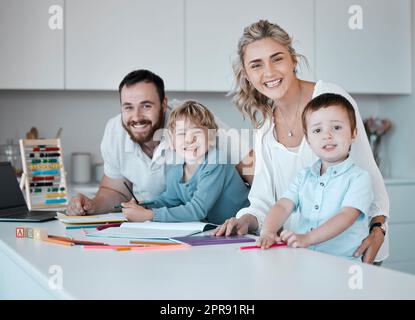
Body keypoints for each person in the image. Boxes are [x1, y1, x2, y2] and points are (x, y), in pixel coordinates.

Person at [213, 20, 389, 264]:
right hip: (300, 254)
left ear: (293, 59)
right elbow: (264, 200)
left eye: (277, 58)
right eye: (256, 65)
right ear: (247, 75)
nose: (270, 72)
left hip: (352, 252)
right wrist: (246, 221)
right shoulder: (265, 126)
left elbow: (368, 174)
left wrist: (379, 228)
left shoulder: (330, 100)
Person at [67, 69, 248, 217]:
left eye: (146, 106)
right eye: (128, 107)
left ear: (163, 104)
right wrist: (92, 205)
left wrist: (264, 217)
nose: (137, 117)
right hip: (196, 227)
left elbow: (251, 165)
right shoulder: (175, 165)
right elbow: (117, 190)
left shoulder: (193, 119)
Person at [258, 93, 373, 261]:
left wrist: (307, 238)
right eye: (317, 130)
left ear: (354, 134)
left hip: (343, 265)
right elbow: (283, 206)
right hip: (305, 259)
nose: (327, 135)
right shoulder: (303, 176)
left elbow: (346, 216)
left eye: (337, 127)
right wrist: (268, 231)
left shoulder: (359, 178)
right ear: (309, 141)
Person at [121, 100, 250, 225]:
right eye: (182, 134)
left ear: (211, 137)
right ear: (171, 142)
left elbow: (198, 209)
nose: (189, 139)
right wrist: (144, 205)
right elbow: (169, 200)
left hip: (245, 228)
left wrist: (149, 215)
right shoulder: (176, 172)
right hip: (219, 231)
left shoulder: (215, 162)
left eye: (196, 132)